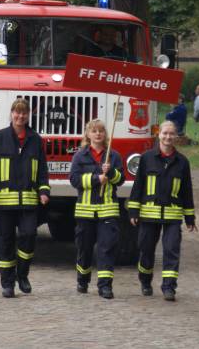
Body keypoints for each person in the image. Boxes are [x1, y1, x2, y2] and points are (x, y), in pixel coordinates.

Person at [0, 98, 50, 298]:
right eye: (17, 112)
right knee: (5, 243)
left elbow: (42, 169)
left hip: (28, 202)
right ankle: (7, 284)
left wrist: (44, 191)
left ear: (28, 115)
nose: (20, 116)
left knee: (29, 236)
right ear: (11, 114)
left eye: (24, 113)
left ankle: (23, 274)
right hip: (3, 204)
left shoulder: (35, 140)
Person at [128, 121, 197, 301]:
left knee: (171, 250)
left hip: (172, 216)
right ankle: (145, 281)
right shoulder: (146, 158)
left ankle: (169, 287)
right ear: (159, 134)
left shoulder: (182, 162)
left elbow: (186, 190)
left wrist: (190, 217)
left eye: (172, 134)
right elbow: (138, 187)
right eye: (165, 133)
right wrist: (133, 211)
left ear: (176, 136)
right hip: (149, 215)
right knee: (146, 250)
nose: (168, 137)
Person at [69, 119, 125, 299]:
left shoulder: (113, 156)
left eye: (101, 130)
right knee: (84, 248)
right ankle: (83, 279)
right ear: (88, 134)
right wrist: (96, 179)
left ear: (105, 134)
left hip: (108, 210)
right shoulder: (80, 156)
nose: (98, 134)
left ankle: (105, 286)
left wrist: (111, 173)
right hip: (85, 211)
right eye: (94, 131)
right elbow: (74, 180)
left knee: (106, 248)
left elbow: (121, 180)